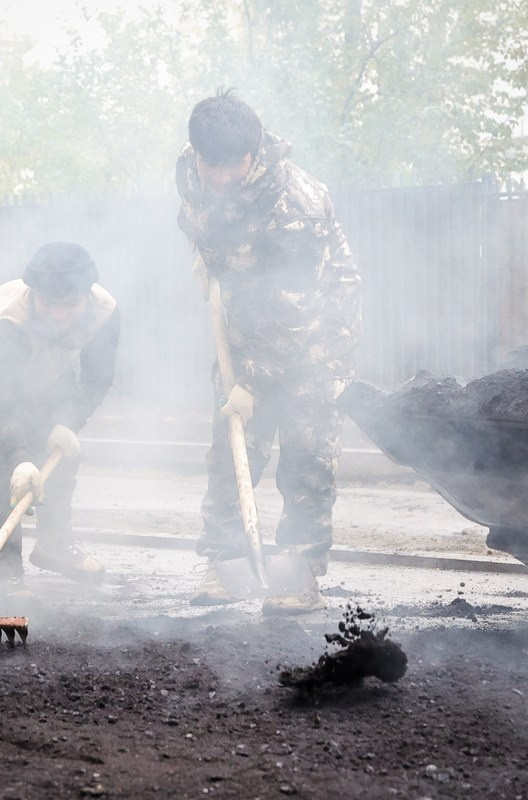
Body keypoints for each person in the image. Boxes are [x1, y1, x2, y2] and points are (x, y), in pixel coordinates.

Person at [175, 91, 362, 615]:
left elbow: (295, 315)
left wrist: (251, 383)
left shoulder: (295, 205)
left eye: (229, 166)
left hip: (316, 336)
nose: (218, 177)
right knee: (230, 450)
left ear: (252, 153)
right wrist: (206, 258)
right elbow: (195, 211)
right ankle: (227, 563)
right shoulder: (192, 166)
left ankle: (297, 575)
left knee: (306, 458)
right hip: (243, 326)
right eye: (209, 164)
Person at [0, 242, 119, 596]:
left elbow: (97, 377)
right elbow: (0, 396)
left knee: (61, 451)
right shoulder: (10, 322)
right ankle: (4, 572)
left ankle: (54, 545)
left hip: (51, 368)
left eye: (70, 305)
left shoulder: (104, 312)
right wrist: (19, 458)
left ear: (87, 296)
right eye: (48, 304)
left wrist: (68, 422)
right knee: (1, 466)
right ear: (33, 295)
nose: (58, 315)